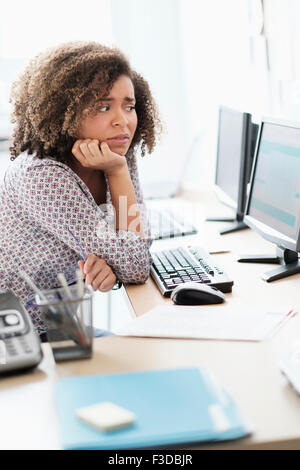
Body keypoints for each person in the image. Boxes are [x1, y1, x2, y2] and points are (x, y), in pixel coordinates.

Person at [0, 41, 161, 337]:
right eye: (103, 106)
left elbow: (138, 245)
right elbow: (136, 262)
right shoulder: (42, 176)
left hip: (53, 325)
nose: (122, 120)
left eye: (129, 106)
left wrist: (113, 262)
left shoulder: (117, 152)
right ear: (65, 111)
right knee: (145, 358)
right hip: (15, 336)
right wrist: (119, 256)